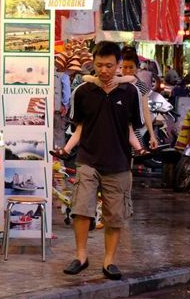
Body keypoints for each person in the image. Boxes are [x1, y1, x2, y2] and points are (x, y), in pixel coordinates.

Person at [55, 41, 144, 281]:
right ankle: (81, 257)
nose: (104, 70)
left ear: (118, 65)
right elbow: (80, 127)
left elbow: (130, 127)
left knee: (115, 215)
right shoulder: (83, 91)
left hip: (119, 163)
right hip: (87, 160)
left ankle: (109, 261)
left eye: (109, 65)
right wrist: (65, 149)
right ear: (93, 64)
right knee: (81, 209)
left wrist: (141, 148)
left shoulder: (130, 92)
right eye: (99, 65)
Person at [121, 48, 159, 152]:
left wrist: (152, 135)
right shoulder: (116, 82)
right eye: (125, 67)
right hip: (114, 129)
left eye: (131, 67)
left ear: (137, 68)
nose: (127, 71)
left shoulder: (141, 87)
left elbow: (145, 111)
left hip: (133, 130)